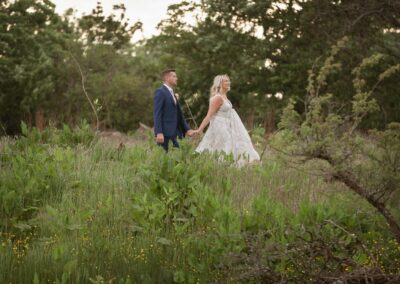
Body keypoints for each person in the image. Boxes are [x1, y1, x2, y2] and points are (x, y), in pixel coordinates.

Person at [193, 74, 260, 166]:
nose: (229, 82)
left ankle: (223, 167)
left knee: (227, 148)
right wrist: (199, 130)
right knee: (223, 147)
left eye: (229, 80)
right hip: (219, 126)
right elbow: (209, 115)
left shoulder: (225, 97)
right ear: (220, 83)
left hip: (227, 126)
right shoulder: (218, 98)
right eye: (226, 81)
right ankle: (219, 166)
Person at [153, 69, 193, 151]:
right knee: (164, 160)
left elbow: (179, 114)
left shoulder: (172, 93)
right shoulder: (160, 92)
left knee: (177, 160)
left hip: (177, 133)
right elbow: (157, 114)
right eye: (174, 76)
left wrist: (187, 129)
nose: (176, 78)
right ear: (167, 78)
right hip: (165, 135)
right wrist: (159, 132)